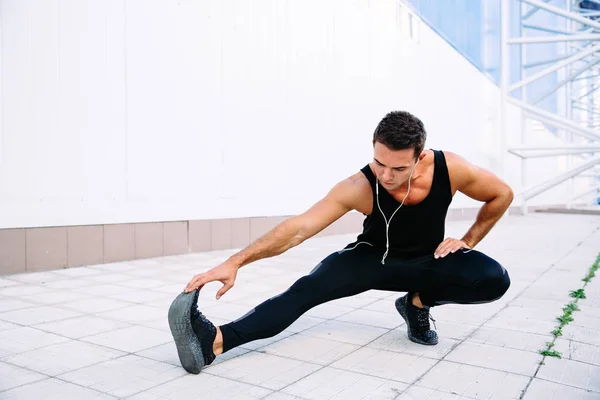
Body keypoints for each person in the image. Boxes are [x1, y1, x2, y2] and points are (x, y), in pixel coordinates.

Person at [168, 110, 514, 374]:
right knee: (302, 293)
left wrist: (467, 239)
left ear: (420, 157)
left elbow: (501, 194)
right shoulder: (358, 186)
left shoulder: (450, 168)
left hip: (427, 263)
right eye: (379, 163)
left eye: (398, 169)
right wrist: (236, 262)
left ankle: (416, 305)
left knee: (493, 278)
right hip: (370, 261)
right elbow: (299, 228)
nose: (386, 176)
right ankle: (214, 341)